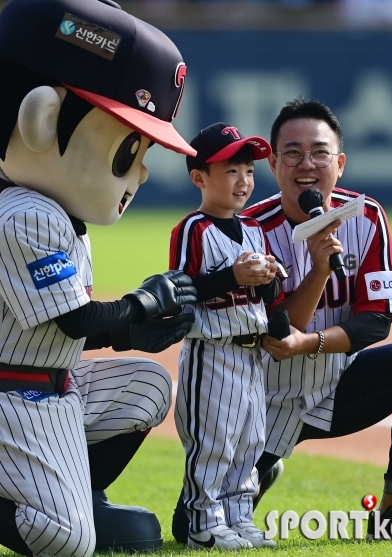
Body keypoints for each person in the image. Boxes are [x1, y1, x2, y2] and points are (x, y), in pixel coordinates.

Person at [0, 0, 197, 555]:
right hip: (12, 397)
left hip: (46, 386)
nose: (141, 170)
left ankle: (81, 493)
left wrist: (133, 332)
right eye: (128, 149)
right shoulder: (24, 212)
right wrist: (138, 307)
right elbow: (72, 321)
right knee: (65, 542)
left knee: (148, 385)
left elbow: (65, 331)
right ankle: (62, 509)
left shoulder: (59, 212)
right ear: (40, 120)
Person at [241, 97, 392, 540]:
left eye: (319, 152)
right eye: (292, 153)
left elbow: (377, 319)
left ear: (340, 162)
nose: (307, 164)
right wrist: (317, 271)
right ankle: (265, 466)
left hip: (338, 386)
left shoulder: (366, 216)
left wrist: (311, 344)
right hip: (264, 399)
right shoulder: (248, 230)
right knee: (192, 527)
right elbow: (273, 331)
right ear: (274, 164)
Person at [169, 122, 282, 549]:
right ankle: (203, 524)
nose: (244, 181)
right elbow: (182, 289)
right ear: (199, 178)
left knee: (250, 442)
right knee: (213, 443)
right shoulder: (192, 230)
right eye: (231, 170)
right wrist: (232, 276)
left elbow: (267, 294)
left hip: (252, 355)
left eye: (249, 170)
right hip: (211, 353)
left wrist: (269, 280)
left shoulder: (253, 229)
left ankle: (239, 518)